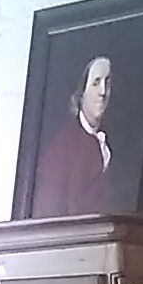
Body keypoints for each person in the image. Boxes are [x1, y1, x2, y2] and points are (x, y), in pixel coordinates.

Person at [32, 55, 113, 218]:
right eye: (96, 83)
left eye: (107, 83)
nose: (103, 92)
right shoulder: (61, 148)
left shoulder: (105, 142)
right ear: (81, 92)